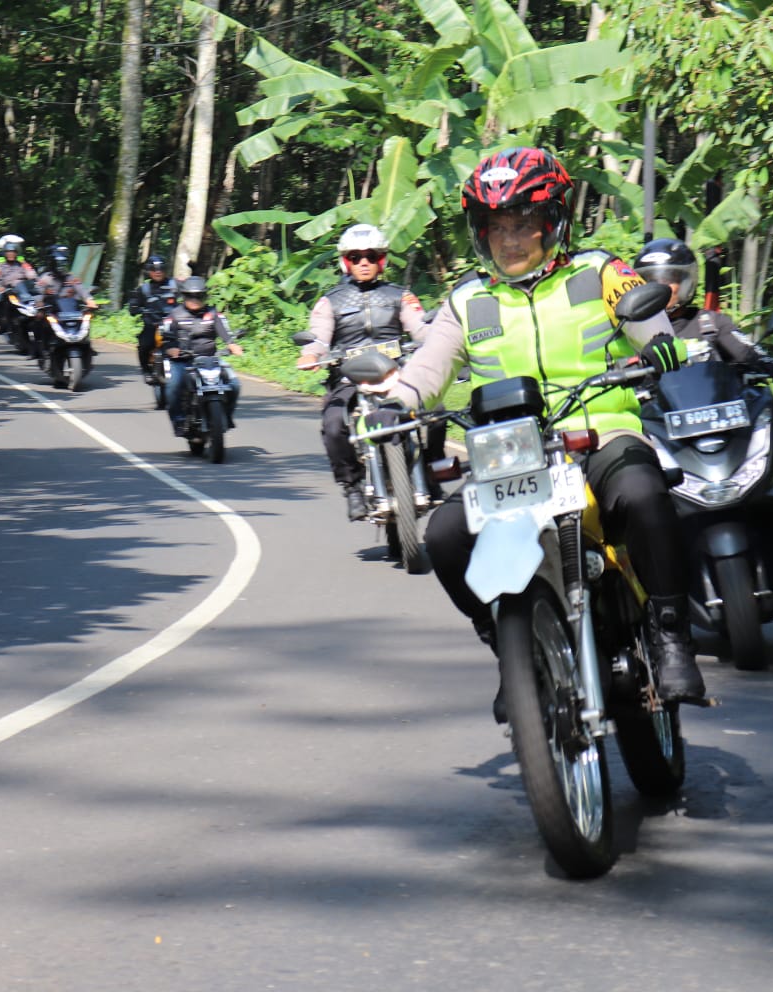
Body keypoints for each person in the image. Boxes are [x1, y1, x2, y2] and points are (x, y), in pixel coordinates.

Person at [363, 147, 706, 709]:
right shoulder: (468, 300)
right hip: (510, 454)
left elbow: (644, 316)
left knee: (644, 494)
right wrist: (396, 403)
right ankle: (511, 649)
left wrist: (661, 344)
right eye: (496, 226)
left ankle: (672, 639)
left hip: (601, 433)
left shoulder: (599, 272)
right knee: (446, 537)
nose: (510, 239)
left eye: (523, 224)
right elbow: (428, 367)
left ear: (554, 223)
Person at [296, 223, 433, 521]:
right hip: (349, 377)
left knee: (436, 410)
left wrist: (441, 342)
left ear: (381, 259)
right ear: (346, 261)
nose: (364, 262)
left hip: (397, 372)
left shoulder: (401, 296)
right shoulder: (329, 301)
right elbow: (319, 337)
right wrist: (311, 354)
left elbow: (421, 330)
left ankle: (431, 472)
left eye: (370, 256)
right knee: (333, 425)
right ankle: (352, 487)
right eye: (356, 257)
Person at [632, 238, 773, 374]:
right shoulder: (630, 328)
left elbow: (747, 352)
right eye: (650, 281)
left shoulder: (710, 324)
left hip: (709, 404)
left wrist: (765, 361)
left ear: (686, 283)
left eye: (669, 280)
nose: (659, 288)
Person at [159, 276, 243, 435]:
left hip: (210, 359)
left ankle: (227, 416)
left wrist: (232, 345)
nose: (195, 300)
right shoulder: (174, 315)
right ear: (184, 296)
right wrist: (171, 349)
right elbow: (166, 338)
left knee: (235, 384)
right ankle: (178, 420)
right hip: (183, 360)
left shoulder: (213, 314)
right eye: (191, 296)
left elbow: (226, 335)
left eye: (199, 296)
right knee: (172, 387)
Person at [126, 254, 177, 383]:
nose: (158, 271)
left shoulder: (175, 285)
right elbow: (134, 304)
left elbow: (191, 293)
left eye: (161, 268)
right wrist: (135, 307)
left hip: (175, 325)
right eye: (154, 269)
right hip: (153, 325)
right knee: (144, 344)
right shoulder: (143, 289)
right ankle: (146, 370)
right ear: (149, 271)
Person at [0, 234, 39, 332]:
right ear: (4, 253)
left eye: (13, 252)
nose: (11, 254)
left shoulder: (23, 264)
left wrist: (33, 278)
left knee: (40, 298)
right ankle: (2, 322)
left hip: (23, 290)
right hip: (7, 290)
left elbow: (31, 273)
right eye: (8, 252)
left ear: (17, 253)